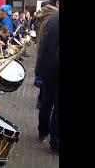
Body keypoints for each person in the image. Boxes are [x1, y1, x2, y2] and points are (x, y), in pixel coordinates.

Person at [36, 10, 59, 154]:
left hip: (47, 69)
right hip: (56, 70)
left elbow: (43, 46)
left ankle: (43, 132)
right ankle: (55, 143)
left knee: (46, 103)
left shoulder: (53, 17)